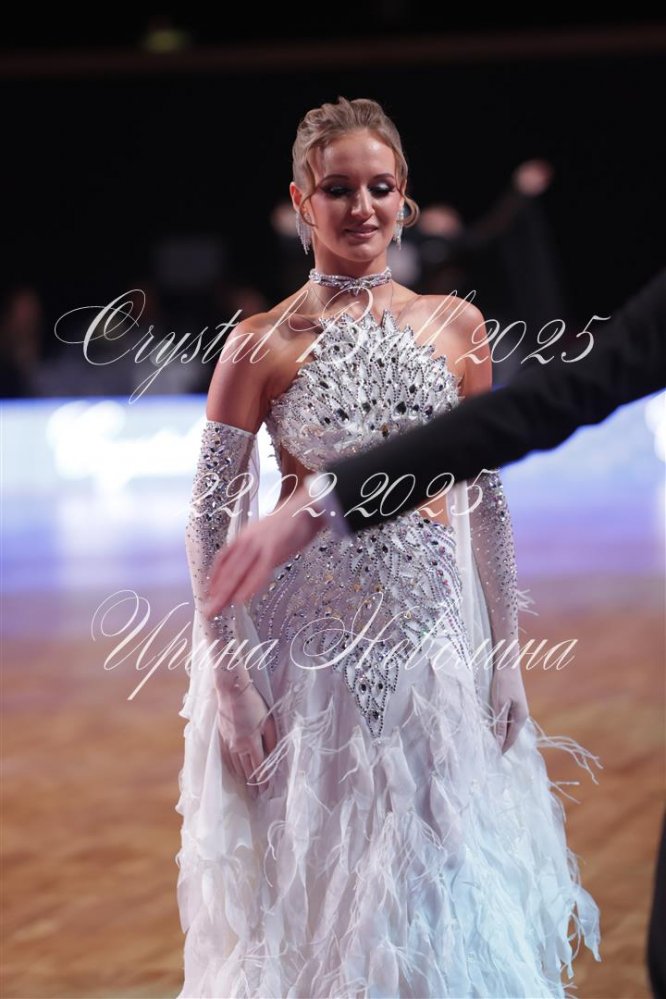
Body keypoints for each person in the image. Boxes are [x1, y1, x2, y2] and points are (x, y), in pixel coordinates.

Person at [176, 95, 602, 999]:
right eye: (338, 189)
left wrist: (506, 659)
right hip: (307, 655)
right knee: (316, 879)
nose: (361, 207)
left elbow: (487, 501)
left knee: (434, 871)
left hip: (431, 644)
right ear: (302, 200)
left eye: (379, 187)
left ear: (404, 194)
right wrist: (233, 682)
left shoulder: (458, 326)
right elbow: (210, 519)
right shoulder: (257, 343)